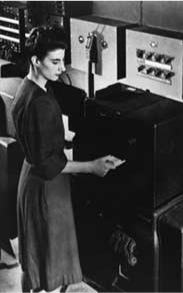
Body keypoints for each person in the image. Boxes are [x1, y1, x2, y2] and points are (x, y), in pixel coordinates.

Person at [11, 25, 117, 293]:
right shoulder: (41, 103)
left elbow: (38, 140)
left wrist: (63, 138)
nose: (62, 68)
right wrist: (93, 167)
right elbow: (50, 165)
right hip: (48, 189)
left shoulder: (26, 89)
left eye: (63, 60)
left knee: (37, 262)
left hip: (30, 181)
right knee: (51, 262)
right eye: (55, 61)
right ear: (36, 61)